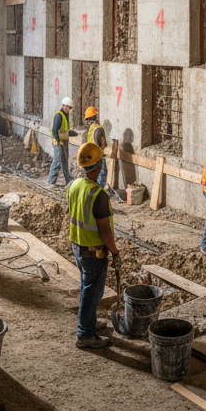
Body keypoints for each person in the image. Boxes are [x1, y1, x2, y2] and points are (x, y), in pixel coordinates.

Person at [67, 141, 119, 349]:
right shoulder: (99, 195)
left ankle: (89, 323)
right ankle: (85, 334)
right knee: (92, 292)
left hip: (77, 245)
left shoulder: (73, 185)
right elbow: (105, 230)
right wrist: (115, 251)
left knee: (87, 287)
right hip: (93, 252)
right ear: (98, 166)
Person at [83, 106, 113, 195]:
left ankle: (91, 193)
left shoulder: (91, 129)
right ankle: (98, 195)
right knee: (101, 176)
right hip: (98, 156)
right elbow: (102, 144)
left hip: (91, 157)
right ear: (96, 116)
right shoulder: (99, 129)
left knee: (92, 177)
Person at [48, 97, 78, 187]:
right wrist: (58, 141)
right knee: (57, 161)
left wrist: (70, 133)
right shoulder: (59, 115)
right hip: (58, 142)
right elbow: (54, 130)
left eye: (69, 107)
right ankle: (51, 181)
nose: (67, 109)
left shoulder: (65, 116)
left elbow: (63, 130)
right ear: (63, 105)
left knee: (64, 161)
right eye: (66, 107)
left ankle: (68, 179)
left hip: (64, 141)